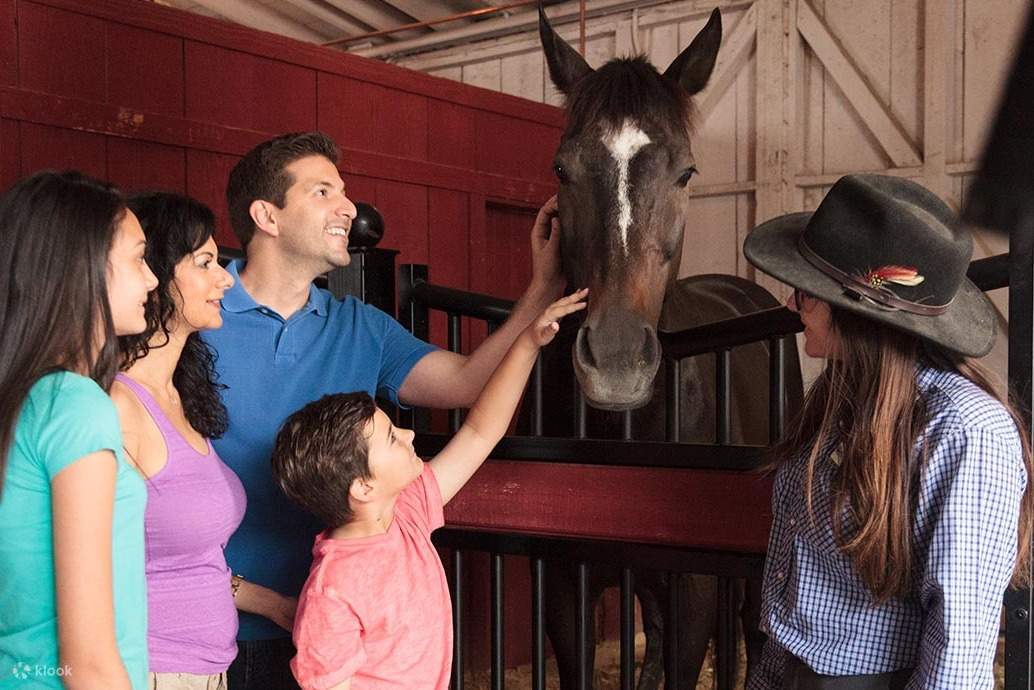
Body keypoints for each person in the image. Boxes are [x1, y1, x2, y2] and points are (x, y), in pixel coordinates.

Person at [205, 131, 565, 689]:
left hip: (355, 635)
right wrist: (262, 600)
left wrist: (541, 288)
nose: (349, 207)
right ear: (266, 216)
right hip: (218, 629)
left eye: (343, 191)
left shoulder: (361, 326)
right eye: (323, 192)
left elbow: (470, 383)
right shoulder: (196, 312)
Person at [742, 174, 1033, 689]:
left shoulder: (965, 429)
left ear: (857, 313)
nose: (791, 304)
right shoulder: (840, 400)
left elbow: (958, 649)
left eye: (806, 292)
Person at [271, 288, 587, 690]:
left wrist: (527, 344)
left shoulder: (406, 512)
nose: (409, 434)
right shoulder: (331, 590)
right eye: (391, 438)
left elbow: (480, 431)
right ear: (364, 486)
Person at [112, 192, 289, 689]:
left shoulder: (178, 398)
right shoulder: (117, 406)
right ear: (155, 275)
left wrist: (275, 605)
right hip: (149, 668)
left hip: (208, 668)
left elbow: (184, 559)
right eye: (205, 262)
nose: (225, 278)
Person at [0, 171, 159, 690]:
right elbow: (88, 662)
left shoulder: (26, 399)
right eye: (138, 259)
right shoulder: (74, 404)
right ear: (82, 266)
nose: (152, 280)